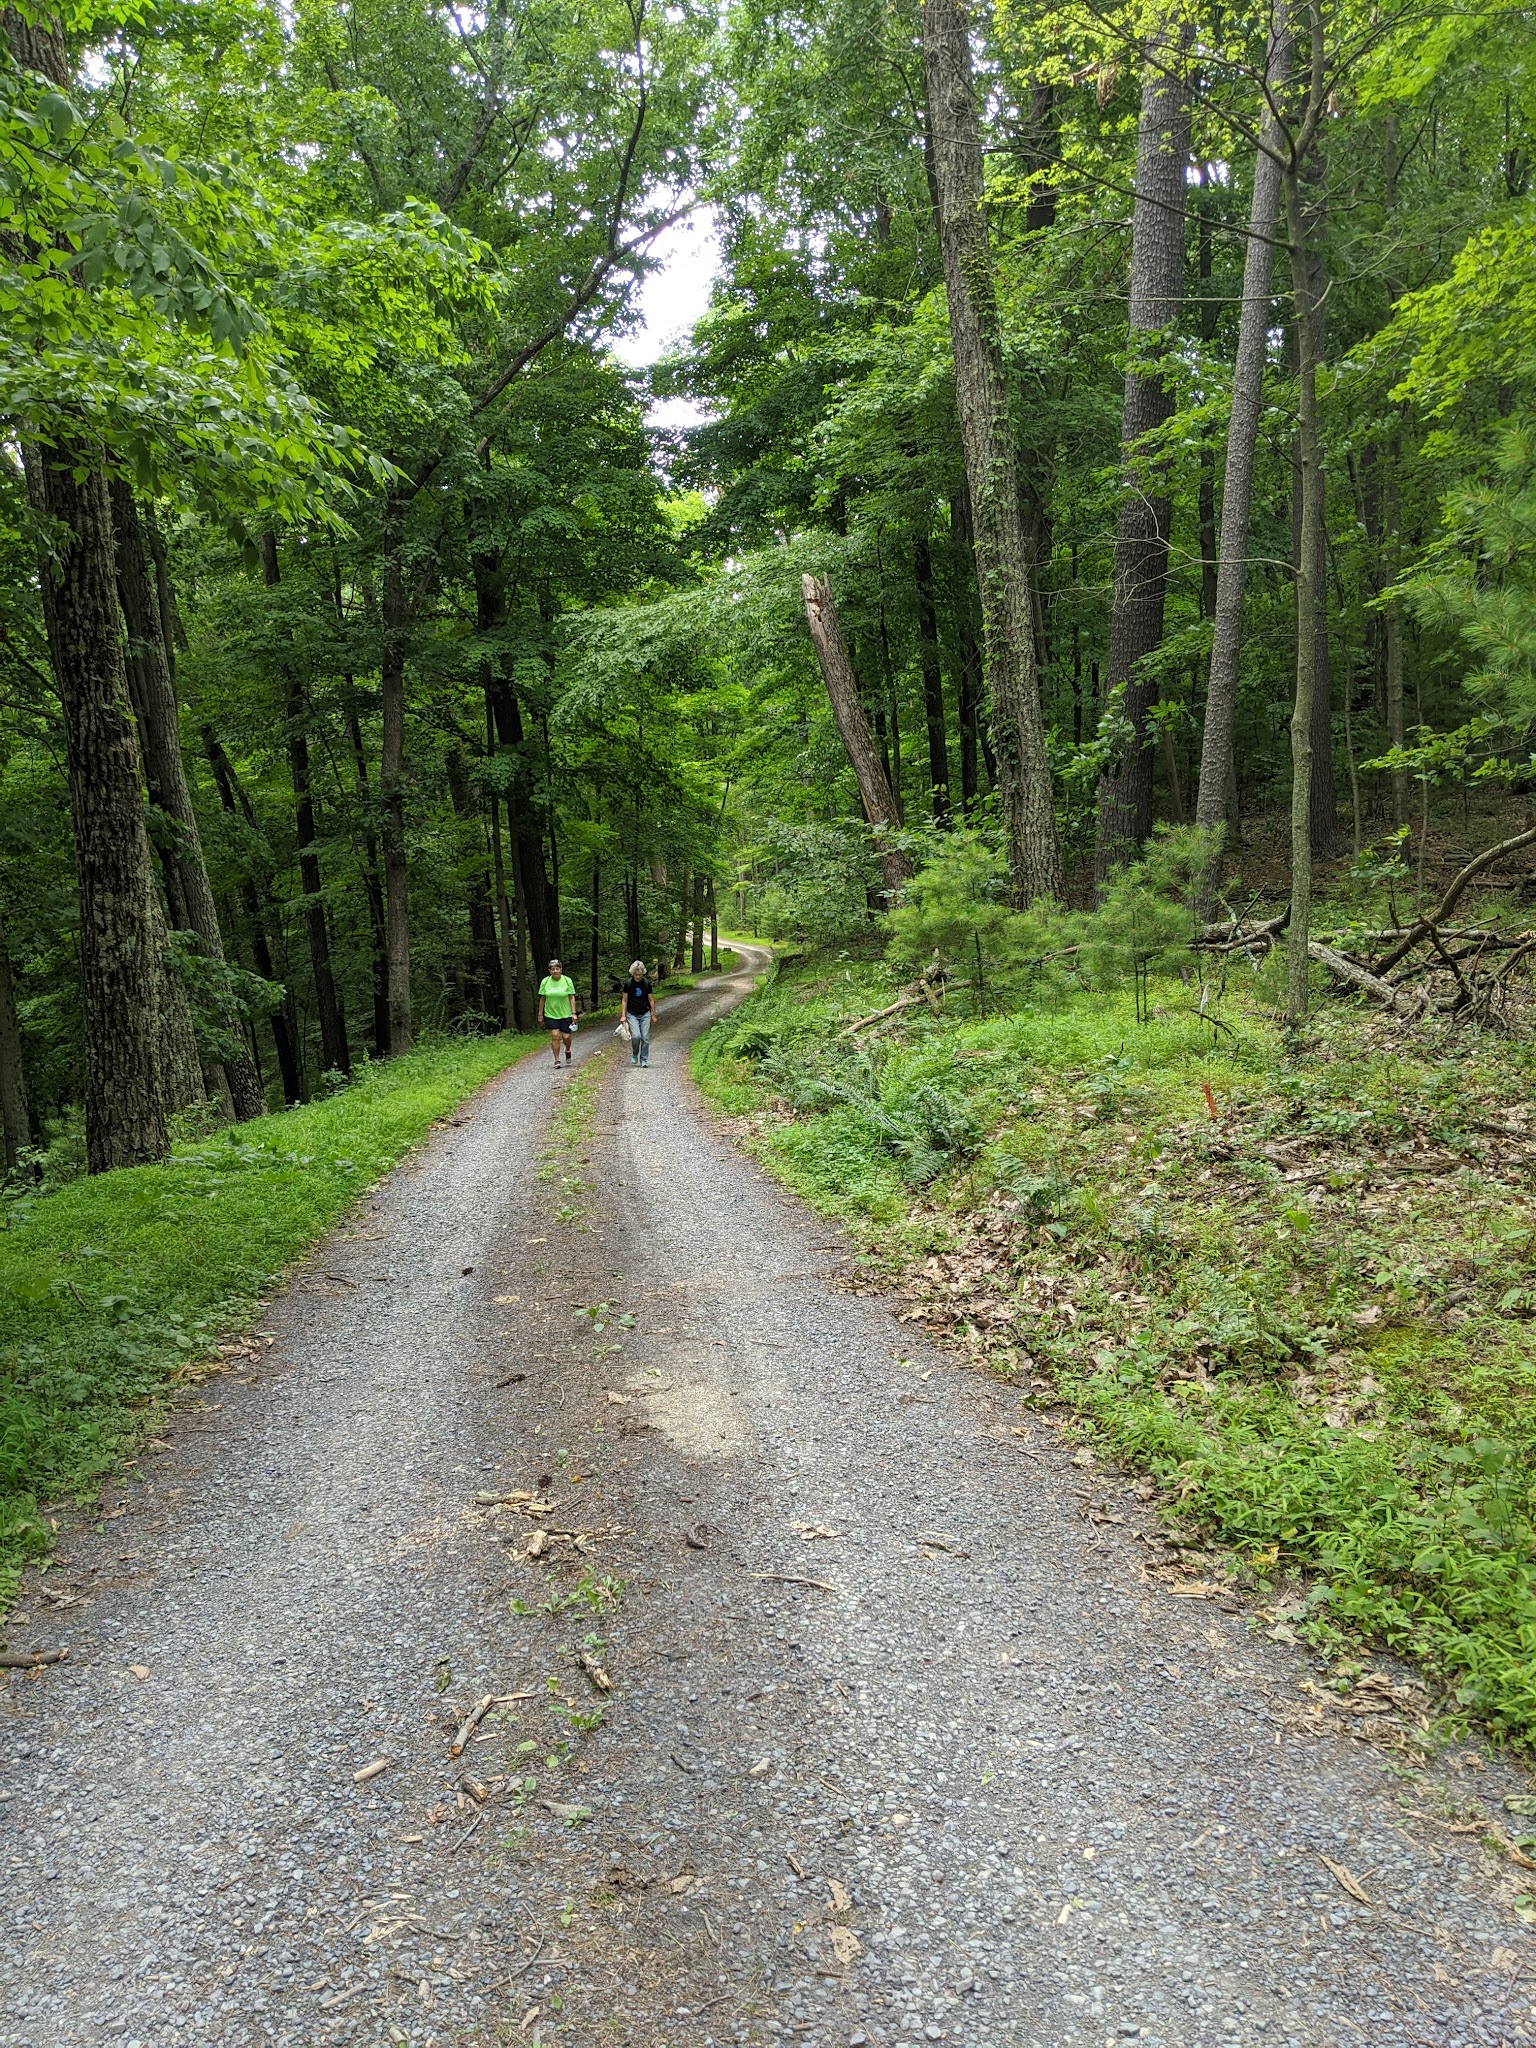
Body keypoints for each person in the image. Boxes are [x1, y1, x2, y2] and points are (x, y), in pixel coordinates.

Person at [537, 956, 578, 1069]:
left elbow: (571, 997)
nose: (555, 971)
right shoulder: (545, 982)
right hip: (551, 1013)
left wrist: (573, 1013)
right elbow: (542, 998)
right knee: (555, 1036)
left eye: (557, 969)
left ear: (561, 969)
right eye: (552, 969)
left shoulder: (567, 980)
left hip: (566, 1013)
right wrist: (540, 1014)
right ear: (549, 971)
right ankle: (557, 1060)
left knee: (566, 1037)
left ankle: (568, 1050)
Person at [619, 960, 656, 1067]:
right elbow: (624, 1000)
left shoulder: (646, 984)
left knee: (645, 1038)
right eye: (635, 975)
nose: (638, 977)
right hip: (632, 1014)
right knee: (636, 1036)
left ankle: (644, 1059)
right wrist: (623, 1015)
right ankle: (635, 1053)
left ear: (642, 974)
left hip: (645, 1013)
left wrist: (653, 1015)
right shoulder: (628, 984)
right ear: (632, 973)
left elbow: (651, 1000)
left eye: (639, 975)